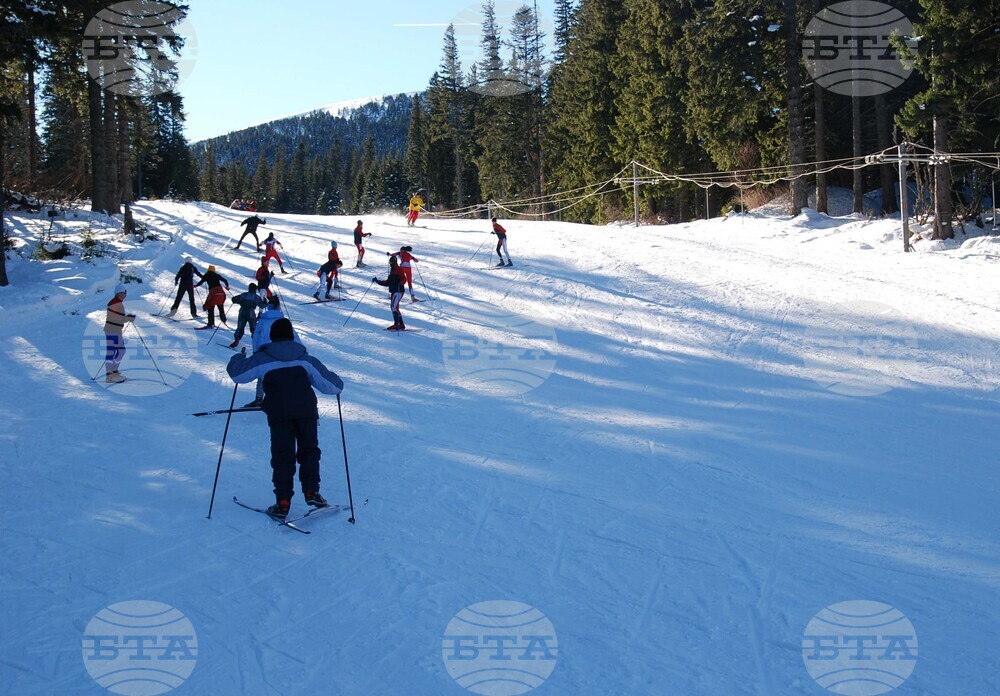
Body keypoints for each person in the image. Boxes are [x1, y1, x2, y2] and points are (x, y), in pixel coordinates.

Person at [226, 317, 344, 518]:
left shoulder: (263, 358)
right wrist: (337, 380)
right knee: (309, 450)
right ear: (291, 337)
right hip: (306, 411)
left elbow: (238, 376)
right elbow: (333, 386)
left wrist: (237, 358)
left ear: (272, 336)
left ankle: (282, 502)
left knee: (282, 454)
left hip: (279, 412)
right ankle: (311, 491)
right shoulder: (305, 359)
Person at [244, 294, 301, 407]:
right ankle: (282, 398)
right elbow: (293, 335)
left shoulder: (263, 320)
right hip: (282, 350)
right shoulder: (282, 320)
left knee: (263, 374)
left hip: (264, 351)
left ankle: (259, 398)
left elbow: (256, 336)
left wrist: (256, 351)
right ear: (278, 306)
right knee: (282, 373)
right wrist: (301, 349)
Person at [104, 283, 136, 383]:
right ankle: (109, 375)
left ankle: (114, 371)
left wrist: (127, 317)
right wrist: (128, 318)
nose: (123, 294)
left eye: (125, 292)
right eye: (121, 292)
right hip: (111, 330)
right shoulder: (114, 303)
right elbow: (118, 318)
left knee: (121, 351)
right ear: (117, 293)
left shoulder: (117, 302)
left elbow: (119, 317)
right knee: (112, 351)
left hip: (116, 330)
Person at [373, 256, 408, 330]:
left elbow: (404, 279)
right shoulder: (393, 270)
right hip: (394, 291)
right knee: (395, 307)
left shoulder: (398, 269)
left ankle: (397, 324)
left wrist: (401, 282)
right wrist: (377, 281)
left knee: (394, 307)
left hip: (398, 291)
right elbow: (387, 282)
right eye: (390, 262)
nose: (390, 264)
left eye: (392, 262)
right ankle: (400, 324)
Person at [230, 283, 267, 349]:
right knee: (253, 328)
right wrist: (265, 302)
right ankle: (256, 342)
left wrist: (234, 299)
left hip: (242, 311)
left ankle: (237, 340)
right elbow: (262, 305)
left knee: (240, 327)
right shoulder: (256, 297)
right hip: (251, 312)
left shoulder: (244, 295)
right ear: (255, 289)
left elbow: (234, 299)